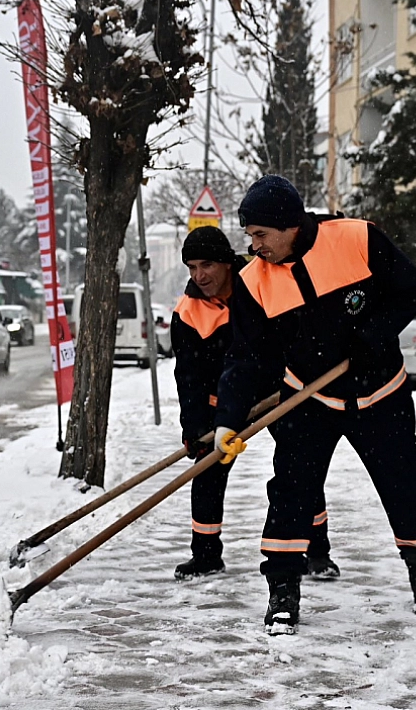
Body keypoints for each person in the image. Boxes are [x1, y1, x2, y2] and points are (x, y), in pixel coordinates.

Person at [213, 174, 416, 635]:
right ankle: (282, 592)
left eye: (260, 235)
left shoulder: (357, 238)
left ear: (289, 224)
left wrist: (372, 336)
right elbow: (246, 357)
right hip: (309, 394)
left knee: (404, 485)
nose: (254, 246)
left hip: (381, 392)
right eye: (249, 236)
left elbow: (410, 289)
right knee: (291, 493)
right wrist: (228, 420)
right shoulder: (252, 282)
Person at [170, 226, 341, 582]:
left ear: (227, 264)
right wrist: (196, 427)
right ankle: (205, 556)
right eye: (191, 268)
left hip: (282, 392)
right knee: (206, 474)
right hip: (225, 404)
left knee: (300, 469)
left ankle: (317, 552)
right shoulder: (187, 312)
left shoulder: (260, 282)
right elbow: (188, 376)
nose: (199, 276)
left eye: (207, 265)